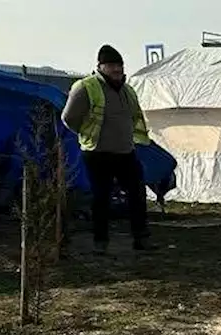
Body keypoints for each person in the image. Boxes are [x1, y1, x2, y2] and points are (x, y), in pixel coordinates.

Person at [61, 44, 153, 254]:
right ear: (100, 67)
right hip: (97, 152)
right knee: (101, 198)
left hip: (125, 151)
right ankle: (100, 242)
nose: (116, 69)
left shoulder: (128, 90)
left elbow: (134, 117)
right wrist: (86, 133)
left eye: (119, 65)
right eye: (111, 65)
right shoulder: (86, 87)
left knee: (137, 194)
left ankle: (141, 238)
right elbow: (68, 117)